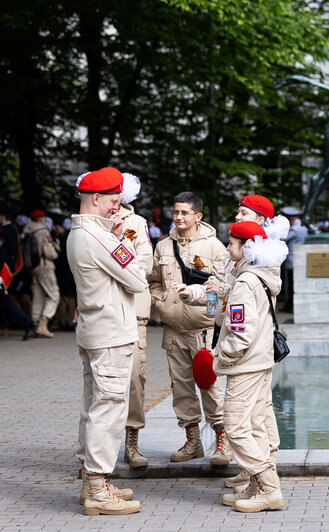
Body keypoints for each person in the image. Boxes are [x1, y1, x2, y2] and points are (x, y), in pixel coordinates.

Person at [179, 194, 288, 492]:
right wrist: (201, 293)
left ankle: (265, 479)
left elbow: (242, 301)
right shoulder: (245, 258)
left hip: (246, 353)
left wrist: (219, 358)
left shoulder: (263, 260)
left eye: (243, 213)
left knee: (247, 420)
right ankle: (252, 473)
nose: (238, 217)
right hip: (253, 349)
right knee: (254, 416)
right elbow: (225, 287)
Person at [67, 167, 146, 515]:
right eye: (114, 201)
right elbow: (137, 279)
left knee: (93, 405)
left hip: (95, 329)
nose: (118, 208)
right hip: (111, 332)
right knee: (109, 407)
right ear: (96, 199)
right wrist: (121, 240)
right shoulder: (99, 238)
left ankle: (91, 482)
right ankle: (98, 488)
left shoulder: (78, 233)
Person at [148, 191, 231, 464]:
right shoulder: (162, 246)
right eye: (175, 212)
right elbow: (154, 281)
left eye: (184, 212)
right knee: (181, 387)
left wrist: (206, 310)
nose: (178, 217)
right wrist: (161, 302)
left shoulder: (215, 248)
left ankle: (222, 440)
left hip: (203, 330)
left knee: (210, 385)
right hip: (173, 329)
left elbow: (222, 289)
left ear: (198, 216)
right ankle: (193, 441)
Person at [213, 221, 287, 512]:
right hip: (260, 361)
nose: (227, 247)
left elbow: (241, 332)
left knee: (235, 427)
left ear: (245, 248)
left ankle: (268, 487)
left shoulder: (245, 282)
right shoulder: (261, 276)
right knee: (255, 424)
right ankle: (260, 486)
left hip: (245, 365)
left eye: (231, 243)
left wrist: (223, 356)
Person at [116, 173, 154, 469]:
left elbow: (145, 262)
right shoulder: (90, 222)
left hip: (133, 310)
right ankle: (90, 451)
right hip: (104, 310)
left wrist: (117, 267)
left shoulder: (136, 224)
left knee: (135, 378)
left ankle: (132, 441)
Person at [22, 210, 60, 337]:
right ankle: (43, 323)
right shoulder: (43, 232)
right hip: (45, 266)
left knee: (38, 295)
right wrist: (55, 251)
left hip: (33, 267)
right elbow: (50, 253)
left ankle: (34, 323)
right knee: (54, 295)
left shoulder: (27, 230)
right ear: (41, 219)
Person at [0, 206, 35, 340]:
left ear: (3, 217)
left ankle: (28, 323)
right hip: (4, 269)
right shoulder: (10, 230)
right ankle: (27, 323)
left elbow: (6, 255)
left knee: (6, 300)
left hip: (3, 271)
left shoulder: (7, 231)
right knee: (5, 300)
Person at [281, 206, 306, 312]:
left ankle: (289, 306)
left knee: (291, 285)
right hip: (299, 259)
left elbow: (282, 238)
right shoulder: (304, 227)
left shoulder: (294, 229)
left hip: (292, 261)